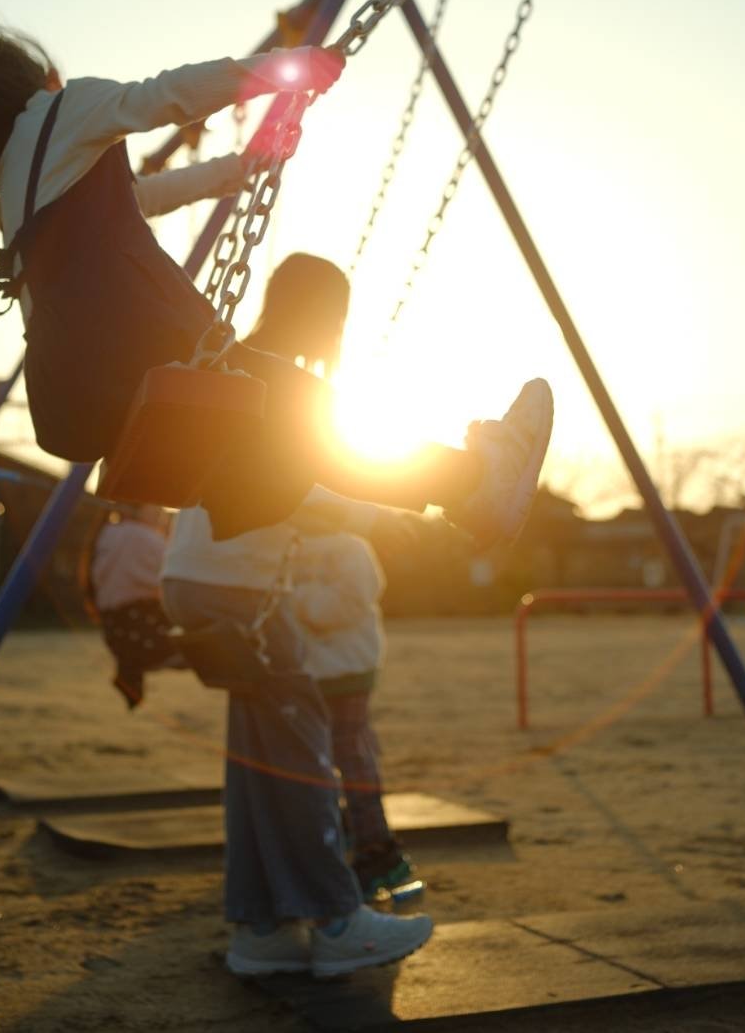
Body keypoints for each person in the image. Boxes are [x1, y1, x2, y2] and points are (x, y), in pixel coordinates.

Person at [0, 6, 554, 548]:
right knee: (305, 411)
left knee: (287, 427)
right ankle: (472, 485)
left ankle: (389, 488)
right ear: (30, 78)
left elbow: (147, 200)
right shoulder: (59, 109)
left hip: (77, 400)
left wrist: (245, 166)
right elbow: (160, 94)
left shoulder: (20, 187)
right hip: (145, 351)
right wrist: (279, 72)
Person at [161, 253, 551, 978]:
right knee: (303, 753)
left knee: (258, 761)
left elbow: (286, 491)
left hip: (193, 577)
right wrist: (394, 510)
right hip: (236, 588)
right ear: (327, 316)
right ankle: (337, 920)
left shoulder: (238, 364)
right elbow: (312, 483)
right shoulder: (278, 381)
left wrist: (374, 518)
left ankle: (263, 929)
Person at [290, 524, 417, 903]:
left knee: (351, 757)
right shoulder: (297, 544)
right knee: (324, 760)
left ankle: (376, 848)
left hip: (345, 671)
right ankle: (347, 837)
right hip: (312, 671)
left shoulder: (349, 548)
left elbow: (342, 605)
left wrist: (300, 599)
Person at [80, 504, 184, 709]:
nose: (161, 513)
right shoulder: (146, 538)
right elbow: (176, 574)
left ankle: (129, 673)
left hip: (115, 633)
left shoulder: (106, 534)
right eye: (156, 508)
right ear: (138, 509)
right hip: (145, 632)